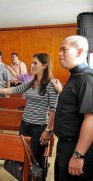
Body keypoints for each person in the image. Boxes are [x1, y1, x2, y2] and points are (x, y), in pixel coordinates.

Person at [0, 53, 58, 176]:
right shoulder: (31, 82)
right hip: (25, 124)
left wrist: (48, 130)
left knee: (35, 161)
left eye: (35, 63)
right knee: (23, 158)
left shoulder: (52, 84)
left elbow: (53, 110)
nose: (32, 65)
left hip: (39, 128)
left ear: (45, 65)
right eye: (32, 62)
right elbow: (14, 89)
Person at [54, 35, 93, 181]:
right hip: (66, 145)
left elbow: (91, 119)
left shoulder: (86, 77)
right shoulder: (75, 75)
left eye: (64, 50)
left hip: (76, 146)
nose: (59, 54)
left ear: (79, 51)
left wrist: (78, 154)